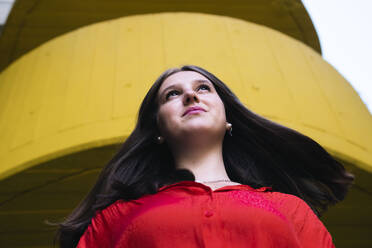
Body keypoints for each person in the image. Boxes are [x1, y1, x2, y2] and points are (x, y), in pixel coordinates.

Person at [56, 65, 354, 248]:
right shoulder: (115, 218)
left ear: (228, 119)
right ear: (157, 128)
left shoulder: (291, 210)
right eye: (172, 94)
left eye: (203, 88)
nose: (191, 95)